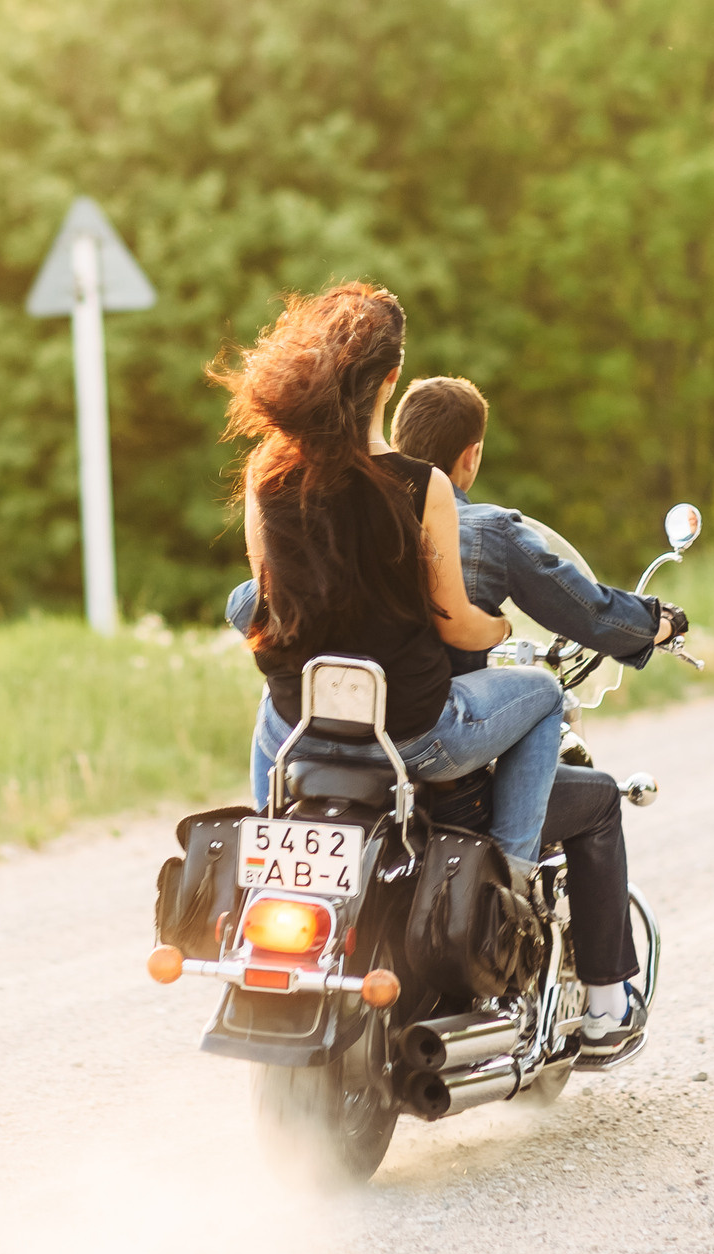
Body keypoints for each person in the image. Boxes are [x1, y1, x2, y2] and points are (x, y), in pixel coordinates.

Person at [226, 373, 674, 1051]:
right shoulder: (485, 531)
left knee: (273, 702)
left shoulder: (337, 515)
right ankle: (519, 901)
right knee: (591, 781)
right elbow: (583, 609)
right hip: (434, 750)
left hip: (328, 747)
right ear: (469, 457)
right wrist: (654, 625)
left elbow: (243, 602)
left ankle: (272, 829)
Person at [215, 283, 562, 864]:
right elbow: (455, 627)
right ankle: (515, 873)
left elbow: (272, 598)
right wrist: (502, 630)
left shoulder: (265, 473)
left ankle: (268, 846)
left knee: (275, 697)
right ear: (391, 377)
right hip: (409, 739)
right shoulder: (424, 485)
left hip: (297, 732)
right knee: (545, 696)